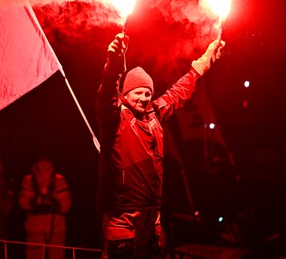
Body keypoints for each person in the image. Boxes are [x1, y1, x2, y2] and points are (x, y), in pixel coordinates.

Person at [96, 33, 225, 258]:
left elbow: (178, 93)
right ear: (125, 95)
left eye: (148, 93)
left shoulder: (154, 114)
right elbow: (108, 90)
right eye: (138, 93)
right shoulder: (114, 119)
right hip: (122, 219)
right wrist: (115, 62)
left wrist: (203, 64)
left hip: (152, 218)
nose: (144, 98)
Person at [19, 157, 72, 259]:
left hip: (50, 227)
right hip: (42, 227)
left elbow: (65, 205)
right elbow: (65, 205)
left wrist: (43, 203)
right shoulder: (30, 180)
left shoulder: (57, 179)